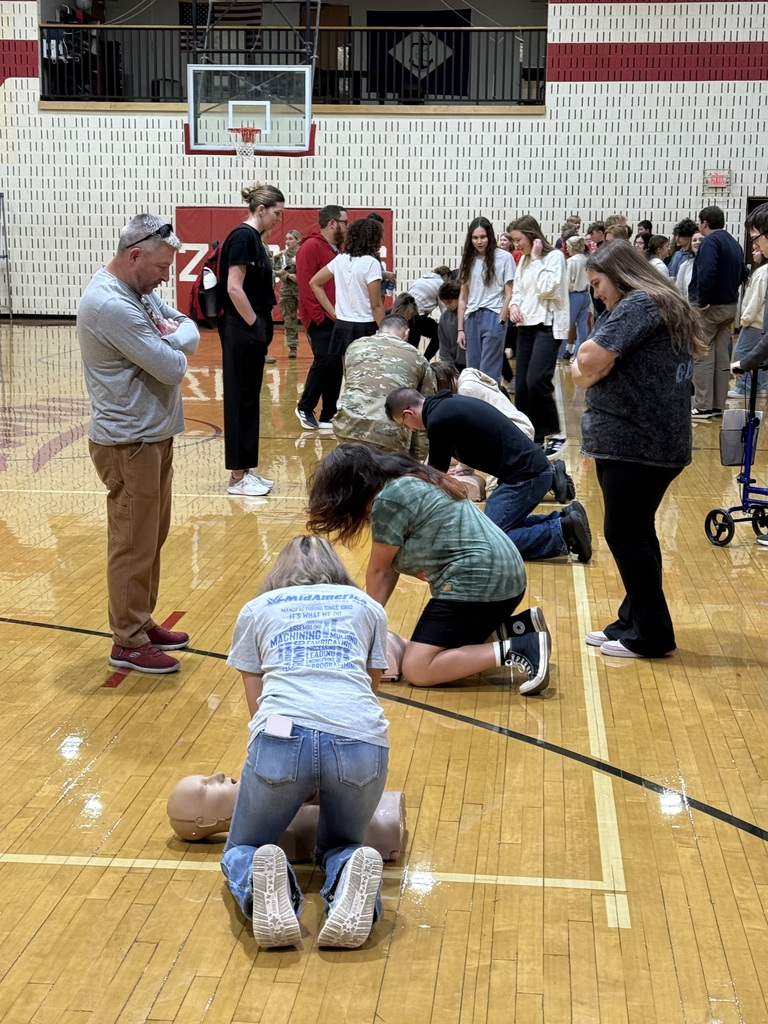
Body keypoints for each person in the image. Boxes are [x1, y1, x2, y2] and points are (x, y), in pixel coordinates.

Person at [222, 535, 390, 949]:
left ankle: (262, 879)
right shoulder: (368, 607)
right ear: (337, 570)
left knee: (242, 845)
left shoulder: (257, 610)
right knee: (342, 842)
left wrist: (296, 769)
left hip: (283, 735)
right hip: (359, 740)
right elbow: (370, 687)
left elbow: (257, 701)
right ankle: (351, 867)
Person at [307, 444, 552, 694]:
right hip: (504, 575)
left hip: (477, 582)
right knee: (446, 650)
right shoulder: (413, 478)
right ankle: (516, 629)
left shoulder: (389, 497)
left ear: (359, 480)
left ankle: (523, 647)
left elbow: (380, 571)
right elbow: (392, 567)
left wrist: (362, 629)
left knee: (418, 668)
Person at [77, 214, 200, 675]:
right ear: (135, 257)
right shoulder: (112, 304)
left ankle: (140, 619)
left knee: (151, 536)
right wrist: (174, 342)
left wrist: (176, 336)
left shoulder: (138, 291)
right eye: (162, 267)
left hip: (151, 435)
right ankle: (126, 639)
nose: (167, 276)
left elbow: (185, 325)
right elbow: (172, 367)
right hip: (129, 441)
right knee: (132, 542)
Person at [571, 240, 705, 659]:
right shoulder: (659, 302)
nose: (596, 293)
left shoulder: (640, 304)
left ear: (618, 274)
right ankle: (631, 620)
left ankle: (651, 635)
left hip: (638, 440)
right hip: (647, 438)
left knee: (625, 533)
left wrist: (585, 366)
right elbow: (587, 370)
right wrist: (586, 372)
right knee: (637, 533)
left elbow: (590, 355)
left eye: (597, 283)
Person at [384, 388, 591, 564]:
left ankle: (562, 533)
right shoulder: (445, 404)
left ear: (408, 413)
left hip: (527, 476)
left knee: (489, 539)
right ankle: (564, 519)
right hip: (527, 472)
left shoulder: (438, 420)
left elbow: (436, 474)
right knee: (494, 527)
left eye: (403, 423)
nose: (408, 428)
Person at [217, 182, 284, 497]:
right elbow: (233, 287)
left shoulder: (252, 239)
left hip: (250, 331)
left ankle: (245, 471)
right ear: (261, 209)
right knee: (240, 401)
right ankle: (236, 478)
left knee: (248, 400)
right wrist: (255, 324)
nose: (278, 220)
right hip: (242, 330)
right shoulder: (244, 237)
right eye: (276, 213)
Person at [507, 215, 570, 456]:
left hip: (547, 326)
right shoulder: (523, 261)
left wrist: (535, 259)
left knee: (537, 381)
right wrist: (514, 305)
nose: (516, 245)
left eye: (518, 239)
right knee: (521, 387)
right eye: (513, 241)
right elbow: (519, 290)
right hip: (526, 327)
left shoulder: (553, 257)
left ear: (532, 236)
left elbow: (548, 289)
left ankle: (555, 432)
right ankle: (531, 436)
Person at [332, 313, 436, 458]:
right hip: (390, 436)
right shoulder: (419, 358)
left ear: (378, 331)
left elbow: (349, 383)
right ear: (406, 333)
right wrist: (416, 460)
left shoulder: (354, 346)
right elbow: (424, 413)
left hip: (346, 426)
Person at [689, 205, 748, 419]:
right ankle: (717, 405)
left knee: (702, 354)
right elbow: (743, 272)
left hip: (710, 308)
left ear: (704, 223)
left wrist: (701, 299)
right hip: (730, 306)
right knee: (721, 357)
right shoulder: (733, 242)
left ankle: (703, 405)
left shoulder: (710, 242)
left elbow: (707, 271)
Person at [295, 204, 348, 431]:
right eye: (345, 221)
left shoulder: (338, 249)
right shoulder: (311, 247)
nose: (348, 225)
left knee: (335, 365)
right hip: (320, 318)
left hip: (337, 317)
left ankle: (328, 414)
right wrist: (318, 317)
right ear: (333, 223)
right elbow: (306, 286)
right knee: (324, 361)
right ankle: (305, 407)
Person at [309, 217, 386, 365]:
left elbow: (315, 283)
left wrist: (333, 312)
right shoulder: (371, 263)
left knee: (351, 376)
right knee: (368, 375)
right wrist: (386, 333)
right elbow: (376, 305)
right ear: (372, 238)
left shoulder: (340, 259)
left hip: (343, 325)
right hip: (366, 326)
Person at [456, 216, 515, 383]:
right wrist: (460, 329)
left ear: (490, 236)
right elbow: (463, 297)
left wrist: (501, 320)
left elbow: (510, 292)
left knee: (489, 373)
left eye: (482, 237)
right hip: (472, 318)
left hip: (494, 316)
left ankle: (490, 407)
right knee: (472, 372)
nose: (479, 241)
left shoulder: (504, 257)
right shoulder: (468, 260)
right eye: (475, 237)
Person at [730, 203, 768, 394]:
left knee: (744, 351)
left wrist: (744, 364)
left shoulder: (764, 272)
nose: (755, 245)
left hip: (754, 323)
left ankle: (746, 388)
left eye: (756, 239)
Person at [408, 265, 452, 360]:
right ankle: (425, 361)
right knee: (440, 334)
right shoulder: (441, 284)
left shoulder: (421, 279)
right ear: (446, 276)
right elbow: (445, 312)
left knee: (412, 345)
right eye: (449, 280)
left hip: (406, 314)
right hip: (417, 316)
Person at [273, 228, 301, 358]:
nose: (287, 241)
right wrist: (288, 276)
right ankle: (292, 347)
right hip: (288, 290)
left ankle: (315, 346)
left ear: (298, 240)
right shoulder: (282, 255)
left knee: (309, 319)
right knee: (289, 319)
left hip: (302, 289)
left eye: (291, 239)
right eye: (286, 239)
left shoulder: (304, 253)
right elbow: (276, 270)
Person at [563, 235, 590, 360]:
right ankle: (578, 354)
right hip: (585, 294)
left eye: (567, 246)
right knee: (582, 326)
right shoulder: (587, 260)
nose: (566, 249)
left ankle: (561, 351)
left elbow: (567, 283)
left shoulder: (571, 261)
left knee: (566, 325)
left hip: (573, 295)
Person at [437, 280, 465, 368]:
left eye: (449, 302)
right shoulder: (444, 317)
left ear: (459, 297)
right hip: (454, 364)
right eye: (445, 303)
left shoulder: (470, 314)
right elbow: (443, 344)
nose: (447, 306)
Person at [676, 231, 702, 300]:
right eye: (694, 240)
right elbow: (679, 290)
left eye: (701, 240)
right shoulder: (684, 266)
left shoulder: (713, 263)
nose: (697, 242)